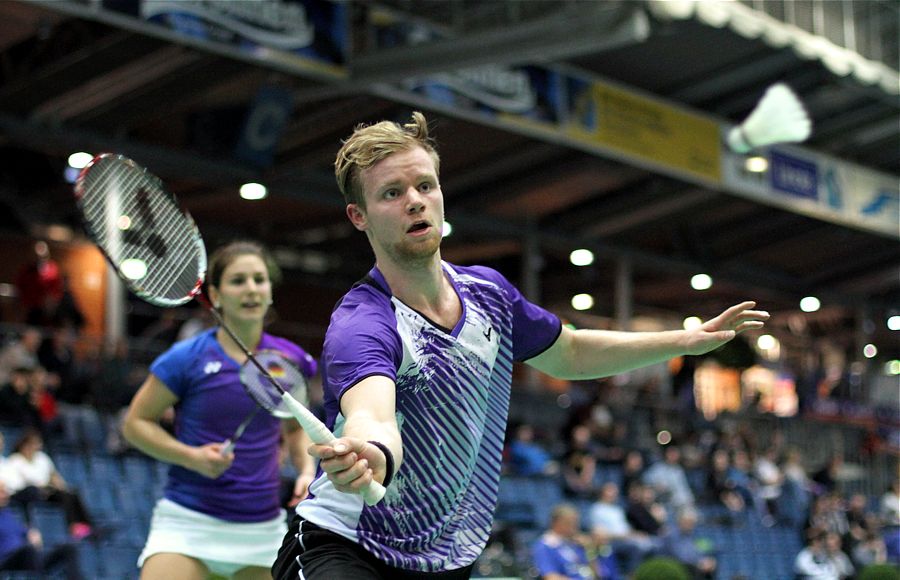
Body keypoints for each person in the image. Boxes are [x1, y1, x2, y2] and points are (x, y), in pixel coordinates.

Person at [271, 111, 768, 579]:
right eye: (392, 193)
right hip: (347, 549)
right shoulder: (363, 321)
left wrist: (685, 339)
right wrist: (374, 451)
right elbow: (373, 413)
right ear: (358, 216)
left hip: (444, 560)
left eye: (425, 185)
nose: (416, 201)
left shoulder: (489, 294)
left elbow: (569, 352)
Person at [123, 241, 318, 580]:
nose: (251, 289)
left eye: (259, 280)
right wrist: (190, 456)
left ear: (270, 291)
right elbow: (135, 424)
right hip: (188, 524)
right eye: (238, 280)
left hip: (261, 530)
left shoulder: (289, 360)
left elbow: (293, 427)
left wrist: (304, 468)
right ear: (215, 294)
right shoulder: (187, 357)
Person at [5, 429, 93, 539]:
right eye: (34, 443)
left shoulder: (42, 458)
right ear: (25, 444)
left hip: (49, 490)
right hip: (33, 493)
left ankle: (88, 525)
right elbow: (19, 483)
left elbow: (54, 475)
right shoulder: (15, 460)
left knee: (72, 494)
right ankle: (72, 527)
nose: (37, 446)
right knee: (63, 497)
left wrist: (63, 487)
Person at [0, 481, 82, 579]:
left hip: (29, 559)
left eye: (5, 492)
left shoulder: (8, 513)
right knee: (28, 550)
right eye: (2, 492)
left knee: (68, 548)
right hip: (6, 560)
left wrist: (30, 533)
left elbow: (20, 530)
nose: (6, 495)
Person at [531, 503, 606, 580]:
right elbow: (550, 577)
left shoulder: (577, 543)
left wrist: (589, 548)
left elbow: (597, 574)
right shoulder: (545, 546)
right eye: (570, 523)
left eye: (576, 523)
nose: (575, 527)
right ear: (557, 523)